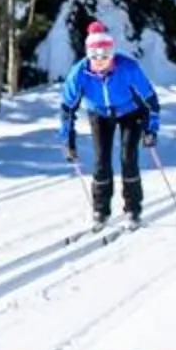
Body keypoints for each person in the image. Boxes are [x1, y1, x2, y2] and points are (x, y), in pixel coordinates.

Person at [59, 19, 159, 230]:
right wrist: (67, 140)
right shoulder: (79, 73)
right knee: (101, 161)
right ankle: (100, 210)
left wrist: (151, 129)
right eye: (94, 55)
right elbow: (67, 109)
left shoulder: (128, 68)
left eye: (105, 55)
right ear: (88, 54)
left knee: (128, 158)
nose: (100, 60)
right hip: (100, 114)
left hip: (130, 112)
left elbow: (151, 100)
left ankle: (133, 209)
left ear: (112, 54)